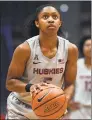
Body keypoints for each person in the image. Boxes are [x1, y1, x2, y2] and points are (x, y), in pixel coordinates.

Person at [5, 4, 78, 119]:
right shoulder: (24, 49)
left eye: (55, 17)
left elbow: (70, 84)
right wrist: (30, 87)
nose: (50, 20)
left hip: (51, 106)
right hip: (21, 108)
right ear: (37, 23)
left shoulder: (70, 49)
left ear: (60, 23)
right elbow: (10, 83)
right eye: (45, 17)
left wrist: (65, 99)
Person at [64, 36, 91, 119]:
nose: (90, 48)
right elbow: (67, 84)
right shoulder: (76, 65)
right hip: (79, 108)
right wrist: (67, 102)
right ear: (82, 47)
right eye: (87, 45)